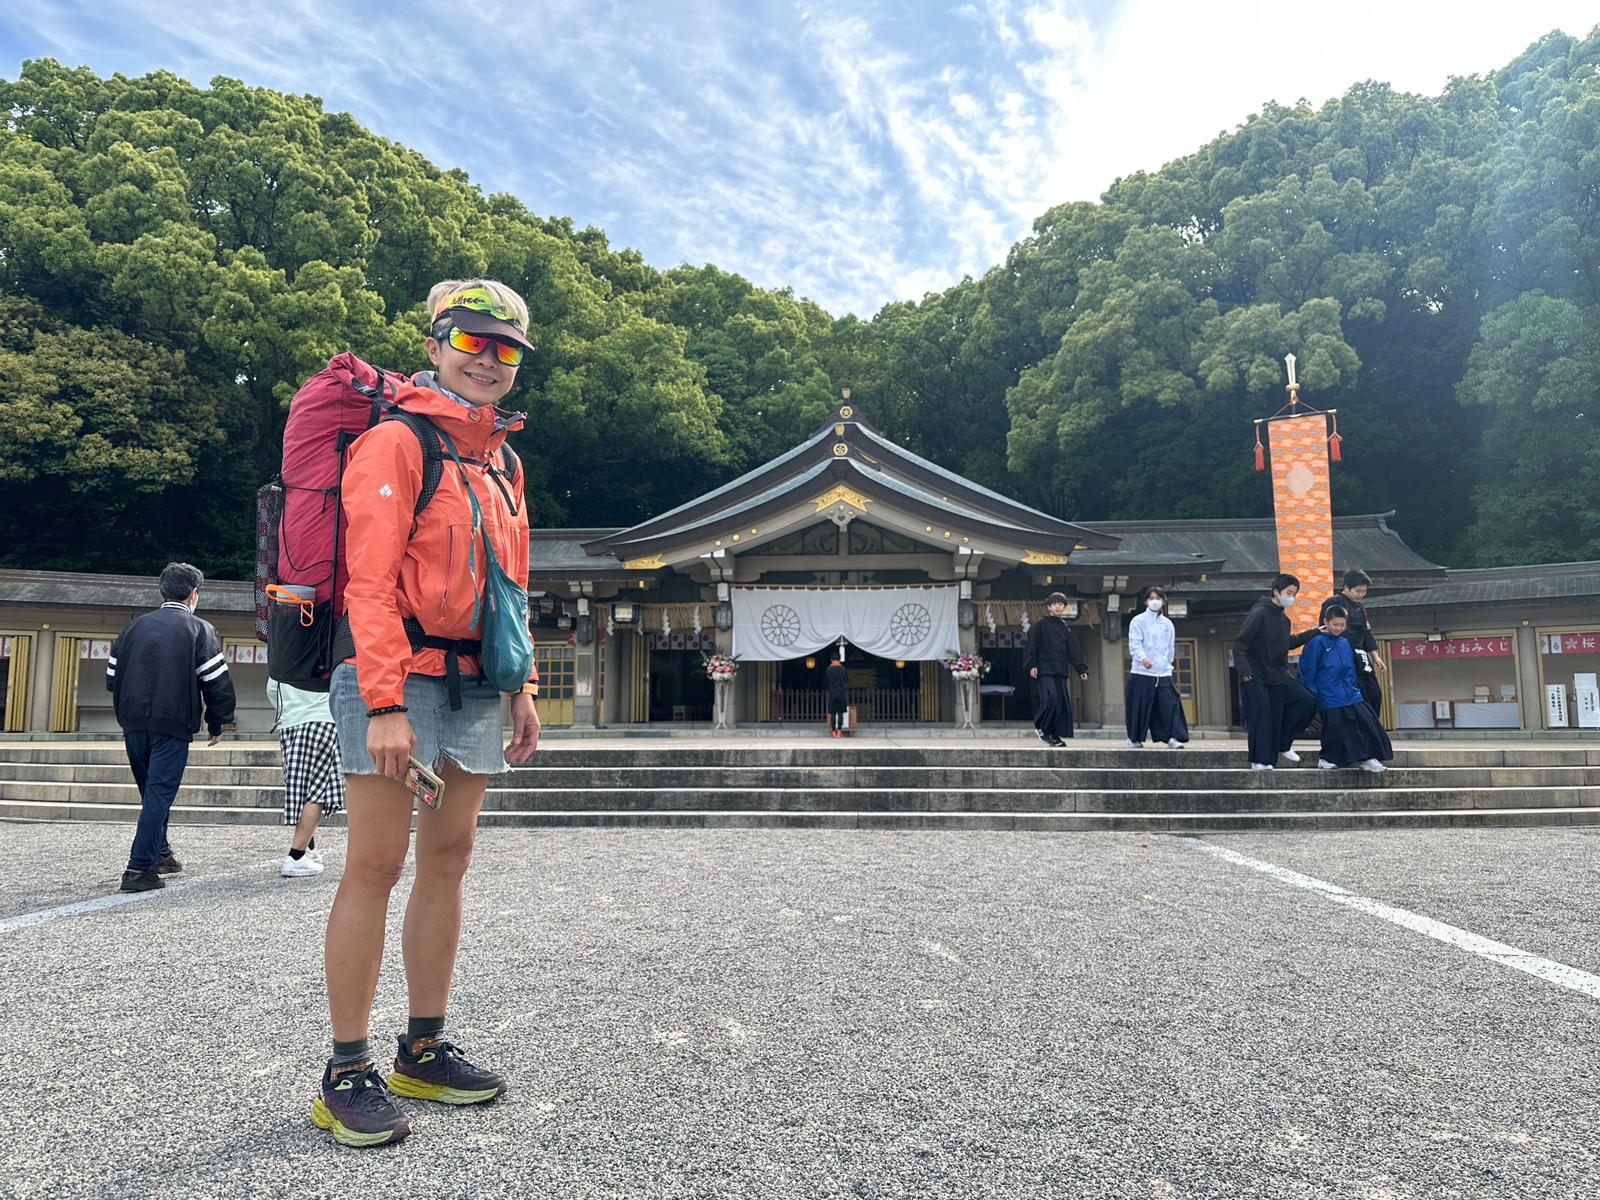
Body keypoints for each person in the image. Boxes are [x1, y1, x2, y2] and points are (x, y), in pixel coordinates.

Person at [312, 280, 542, 1149]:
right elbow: (366, 581)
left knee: (450, 858)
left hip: (480, 680)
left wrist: (521, 687)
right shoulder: (395, 440)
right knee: (375, 862)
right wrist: (380, 701)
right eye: (472, 342)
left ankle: (424, 1046)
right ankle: (345, 1069)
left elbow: (510, 587)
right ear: (438, 340)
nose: (488, 361)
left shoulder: (505, 464)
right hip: (396, 675)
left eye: (507, 349)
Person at [106, 563, 236, 893]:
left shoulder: (132, 629)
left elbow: (111, 678)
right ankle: (139, 869)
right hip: (172, 722)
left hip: (133, 721)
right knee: (160, 793)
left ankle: (161, 853)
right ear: (194, 594)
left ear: (162, 592)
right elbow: (216, 682)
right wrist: (217, 721)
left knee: (151, 793)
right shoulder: (199, 629)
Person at [1233, 573, 1321, 771]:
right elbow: (1240, 644)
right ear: (1276, 592)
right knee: (1262, 717)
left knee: (1306, 700)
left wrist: (1314, 632)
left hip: (1278, 675)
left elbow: (1287, 643)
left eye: (1294, 594)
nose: (1292, 597)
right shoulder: (1260, 613)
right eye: (1289, 593)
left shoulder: (1284, 619)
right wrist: (1245, 672)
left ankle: (1283, 743)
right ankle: (1260, 761)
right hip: (1255, 676)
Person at [1298, 606, 1392, 773]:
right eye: (1335, 624)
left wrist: (1354, 687)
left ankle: (1367, 757)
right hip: (1328, 694)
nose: (1339, 628)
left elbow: (1349, 667)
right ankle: (1328, 758)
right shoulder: (1316, 642)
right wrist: (1312, 693)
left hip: (1350, 692)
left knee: (1366, 722)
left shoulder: (1344, 642)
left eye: (1342, 625)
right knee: (1334, 729)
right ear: (1326, 622)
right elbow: (1308, 669)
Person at [268, 678, 343, 877]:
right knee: (318, 790)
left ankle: (310, 847)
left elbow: (272, 689)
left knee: (299, 787)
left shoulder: (285, 654)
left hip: (289, 723)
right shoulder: (325, 655)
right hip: (323, 719)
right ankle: (296, 856)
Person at [1125, 586, 1189, 749]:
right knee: (1139, 706)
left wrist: (1169, 664)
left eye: (1158, 598)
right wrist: (1143, 658)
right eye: (1152, 598)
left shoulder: (1167, 624)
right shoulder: (1138, 621)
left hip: (1163, 672)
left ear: (1163, 601)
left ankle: (1172, 737)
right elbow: (1134, 644)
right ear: (1146, 601)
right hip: (1142, 671)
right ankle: (1135, 738)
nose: (1155, 601)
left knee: (1169, 705)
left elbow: (1170, 647)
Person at [1024, 592, 1090, 747]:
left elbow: (1073, 650)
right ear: (1049, 607)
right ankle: (1041, 727)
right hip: (1044, 670)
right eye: (1054, 604)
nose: (1058, 606)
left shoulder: (1064, 627)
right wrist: (1032, 664)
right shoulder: (1040, 624)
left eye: (1061, 604)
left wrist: (1081, 669)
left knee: (1061, 705)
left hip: (1060, 671)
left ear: (1064, 607)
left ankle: (1055, 736)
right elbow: (1031, 646)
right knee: (1050, 700)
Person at [1319, 569, 1385, 721]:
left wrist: (1375, 656)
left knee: (1373, 691)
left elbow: (1366, 631)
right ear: (1346, 587)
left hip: (1360, 652)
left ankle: (1371, 723)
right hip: (1340, 651)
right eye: (1358, 591)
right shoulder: (1332, 603)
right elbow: (1326, 629)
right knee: (1353, 690)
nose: (1361, 594)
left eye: (1364, 591)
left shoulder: (1360, 608)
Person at [825, 658, 849, 736]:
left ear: (831, 660)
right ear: (839, 660)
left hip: (832, 692)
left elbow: (825, 681)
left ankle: (833, 732)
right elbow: (846, 680)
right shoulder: (843, 669)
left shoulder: (828, 669)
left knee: (833, 713)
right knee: (840, 713)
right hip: (840, 692)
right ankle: (839, 732)